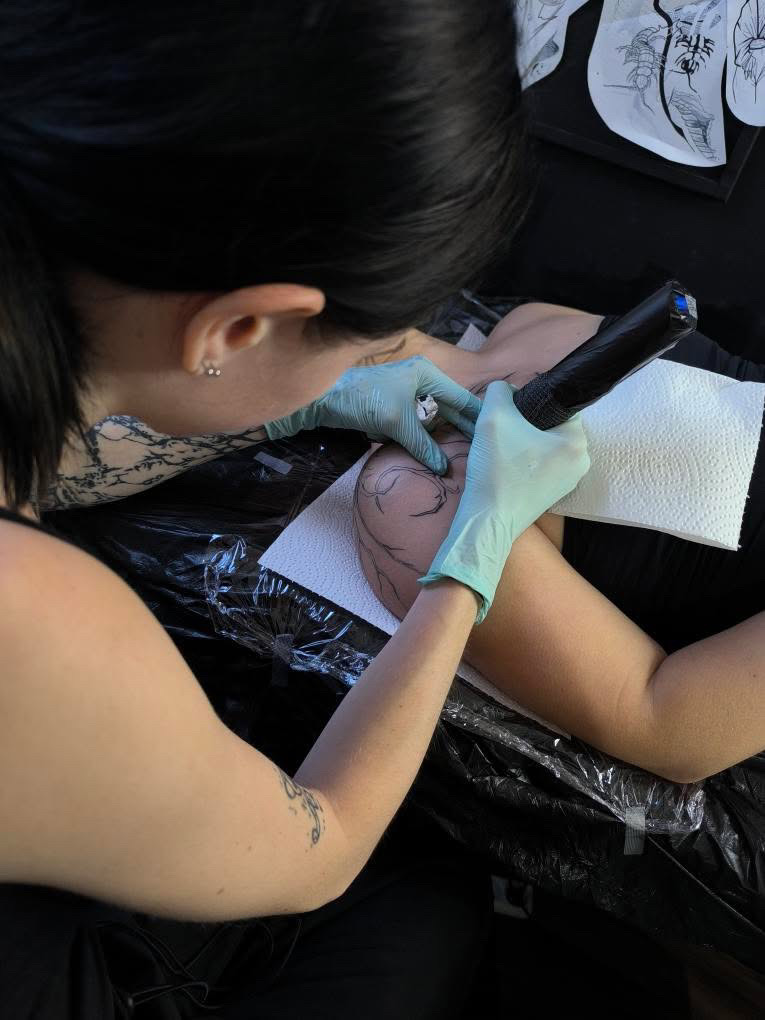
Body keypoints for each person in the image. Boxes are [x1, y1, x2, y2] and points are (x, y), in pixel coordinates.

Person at [0, 4, 591, 1018]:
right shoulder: (41, 630)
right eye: (372, 345)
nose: (382, 360)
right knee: (426, 904)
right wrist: (470, 556)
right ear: (238, 325)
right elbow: (323, 844)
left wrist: (298, 398)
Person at [355, 298, 765, 785]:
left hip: (549, 350)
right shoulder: (412, 496)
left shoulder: (531, 321)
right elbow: (669, 728)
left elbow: (672, 726)